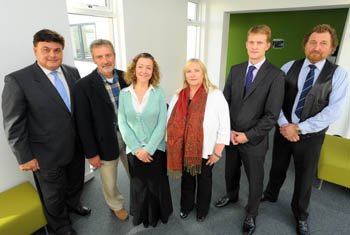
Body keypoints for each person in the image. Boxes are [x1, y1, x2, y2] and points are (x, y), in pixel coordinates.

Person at [262, 24, 348, 235]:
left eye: (323, 43)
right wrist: (284, 125)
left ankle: (300, 214)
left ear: (332, 48)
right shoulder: (288, 66)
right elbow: (276, 100)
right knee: (277, 166)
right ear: (305, 45)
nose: (317, 47)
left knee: (304, 177)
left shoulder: (339, 74)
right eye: (313, 42)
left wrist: (298, 128)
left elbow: (334, 110)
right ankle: (271, 193)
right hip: (283, 130)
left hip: (311, 136)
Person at [1, 29, 90, 235]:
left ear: (62, 51)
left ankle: (73, 205)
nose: (52, 55)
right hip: (45, 153)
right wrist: (24, 157)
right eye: (46, 50)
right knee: (53, 194)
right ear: (35, 50)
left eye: (57, 50)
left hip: (75, 146)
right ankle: (60, 226)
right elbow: (13, 123)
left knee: (75, 183)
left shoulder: (72, 72)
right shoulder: (18, 80)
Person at [215, 25, 285, 235]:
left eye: (259, 43)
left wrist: (247, 135)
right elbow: (224, 102)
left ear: (267, 46)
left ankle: (252, 212)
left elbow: (271, 116)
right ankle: (232, 194)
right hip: (231, 134)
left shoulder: (276, 75)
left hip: (254, 140)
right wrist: (226, 131)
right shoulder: (235, 69)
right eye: (251, 42)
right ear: (246, 44)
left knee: (255, 178)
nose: (254, 47)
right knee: (230, 170)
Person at [167, 58, 230, 222]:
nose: (193, 74)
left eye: (197, 70)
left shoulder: (215, 95)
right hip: (183, 149)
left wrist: (217, 152)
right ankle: (186, 207)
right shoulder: (178, 96)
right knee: (187, 180)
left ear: (203, 73)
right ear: (185, 75)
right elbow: (170, 122)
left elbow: (225, 125)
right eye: (189, 71)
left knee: (204, 181)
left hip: (206, 150)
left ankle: (202, 210)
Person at [73, 39, 130, 221]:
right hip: (104, 141)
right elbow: (83, 123)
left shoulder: (128, 78)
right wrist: (91, 153)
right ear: (94, 60)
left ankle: (140, 200)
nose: (105, 60)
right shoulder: (82, 87)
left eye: (108, 55)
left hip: (131, 138)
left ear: (114, 55)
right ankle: (116, 205)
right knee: (109, 181)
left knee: (138, 174)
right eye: (100, 56)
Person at [118, 52, 173, 228]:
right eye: (140, 66)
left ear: (153, 71)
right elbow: (123, 124)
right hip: (134, 150)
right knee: (139, 186)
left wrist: (148, 149)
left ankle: (158, 215)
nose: (144, 70)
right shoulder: (124, 93)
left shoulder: (158, 92)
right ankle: (142, 215)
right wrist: (136, 149)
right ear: (134, 69)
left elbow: (161, 123)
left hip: (155, 148)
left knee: (156, 184)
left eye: (148, 67)